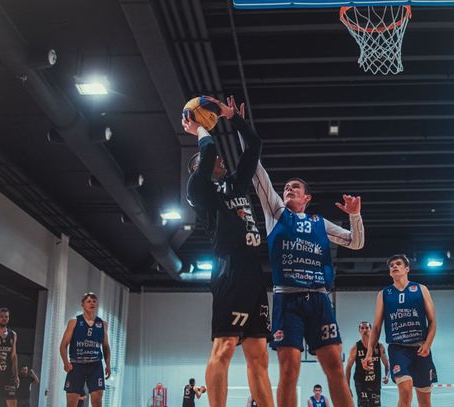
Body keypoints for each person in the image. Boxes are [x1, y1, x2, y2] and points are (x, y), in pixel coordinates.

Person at [251, 124, 364, 407]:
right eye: (286, 187)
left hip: (319, 299)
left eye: (295, 187)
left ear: (306, 198)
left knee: (335, 368)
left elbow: (356, 242)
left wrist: (355, 216)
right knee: (289, 370)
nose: (288, 188)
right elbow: (258, 172)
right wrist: (242, 130)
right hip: (287, 299)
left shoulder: (318, 222)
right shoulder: (276, 213)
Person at [183, 95, 274, 407]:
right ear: (197, 170)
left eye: (221, 158)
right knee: (224, 347)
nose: (220, 159)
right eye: (212, 161)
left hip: (253, 271)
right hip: (229, 269)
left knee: (259, 355)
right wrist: (199, 128)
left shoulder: (235, 184)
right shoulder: (199, 190)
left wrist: (233, 118)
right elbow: (208, 151)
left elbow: (255, 145)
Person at [363, 254, 437, 407]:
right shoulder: (384, 294)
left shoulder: (421, 289)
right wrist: (369, 353)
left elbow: (432, 322)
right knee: (406, 389)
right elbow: (376, 327)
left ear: (407, 269)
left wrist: (428, 344)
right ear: (390, 272)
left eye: (398, 264)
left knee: (425, 402)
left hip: (421, 348)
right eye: (391, 266)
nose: (394, 266)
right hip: (398, 349)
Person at [59, 292, 111, 407]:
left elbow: (106, 347)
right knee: (71, 403)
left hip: (95, 365)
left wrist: (108, 364)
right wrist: (65, 362)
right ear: (82, 304)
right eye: (89, 301)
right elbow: (63, 345)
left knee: (97, 401)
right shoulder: (74, 322)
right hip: (77, 365)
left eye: (94, 301)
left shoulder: (102, 324)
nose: (92, 303)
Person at [346, 321, 389, 407]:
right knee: (364, 404)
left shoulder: (379, 347)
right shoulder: (355, 348)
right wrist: (348, 387)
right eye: (362, 328)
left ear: (371, 330)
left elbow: (387, 364)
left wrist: (387, 376)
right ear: (359, 331)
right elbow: (348, 368)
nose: (364, 330)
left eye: (367, 328)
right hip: (361, 383)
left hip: (375, 383)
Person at [0, 308, 19, 407]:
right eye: (1, 316)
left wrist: (16, 375)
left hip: (8, 375)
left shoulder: (13, 334)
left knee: (12, 403)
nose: (4, 318)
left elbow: (13, 356)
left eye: (6, 317)